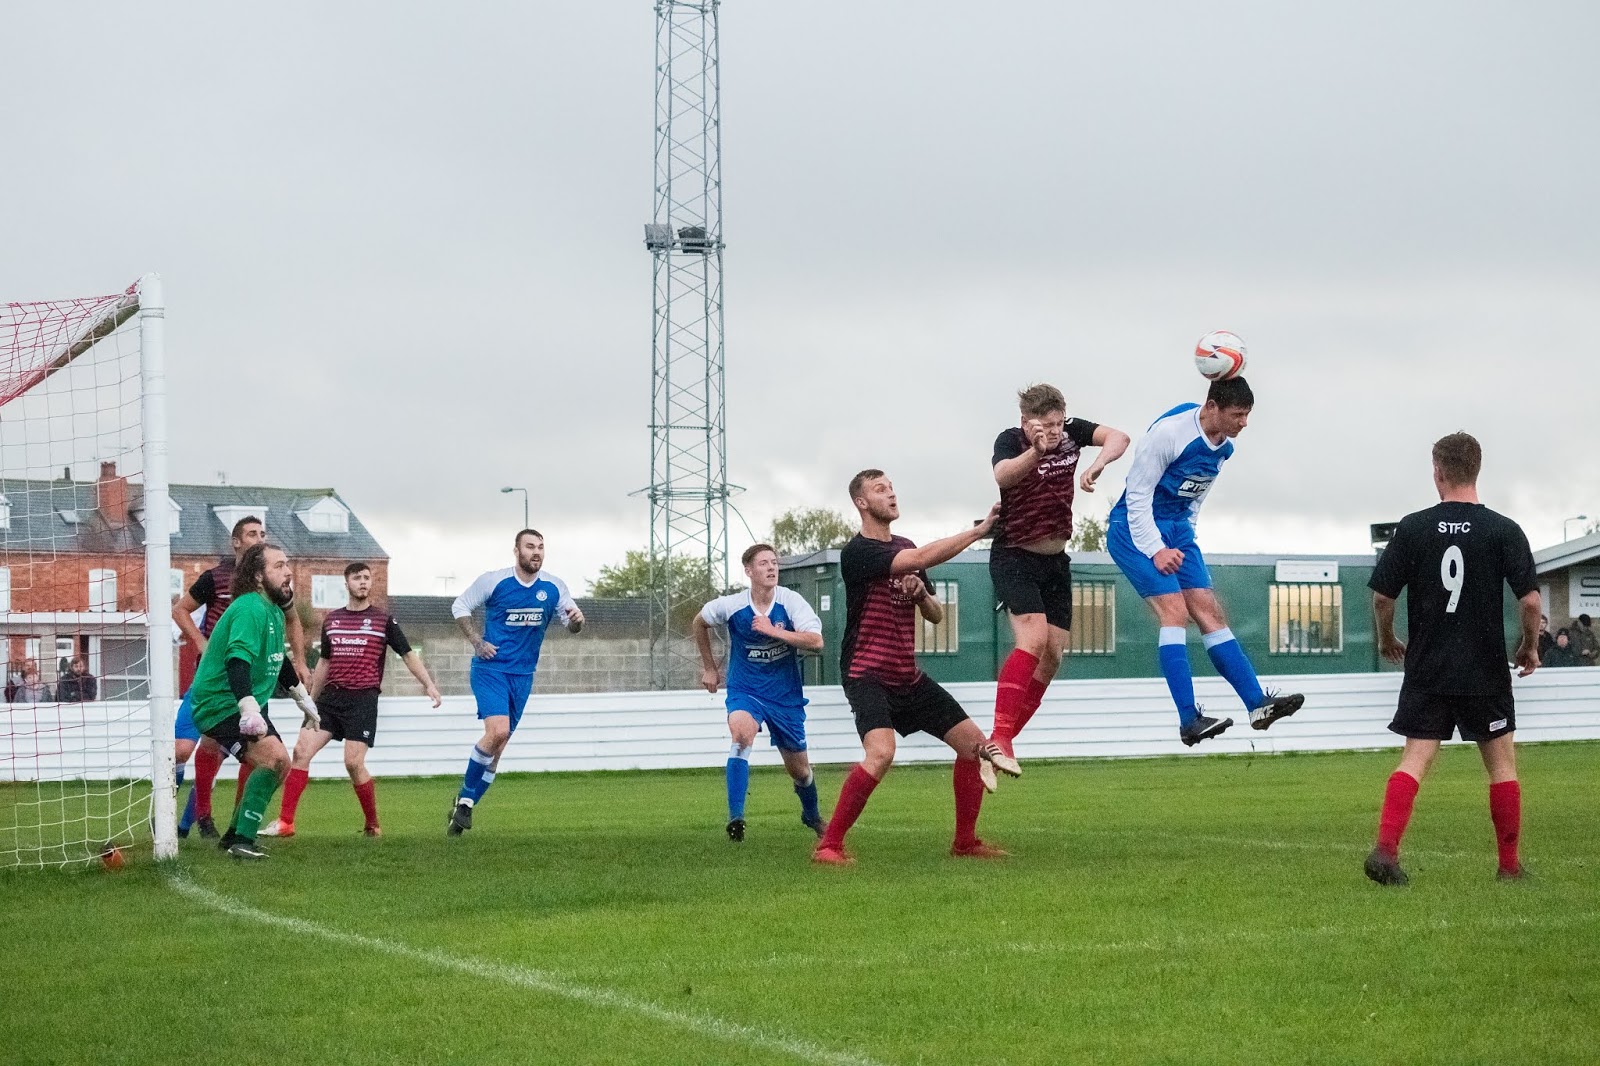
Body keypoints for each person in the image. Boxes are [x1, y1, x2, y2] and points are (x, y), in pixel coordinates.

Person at [812, 470, 1016, 866]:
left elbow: (935, 615)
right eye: (880, 489)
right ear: (861, 503)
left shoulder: (904, 546)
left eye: (891, 487)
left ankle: (965, 843)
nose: (891, 494)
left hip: (907, 675)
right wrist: (979, 532)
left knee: (974, 748)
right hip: (867, 673)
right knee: (881, 754)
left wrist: (922, 594)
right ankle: (828, 846)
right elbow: (920, 558)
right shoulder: (858, 552)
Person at [1363, 432, 1540, 886]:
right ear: (1476, 469)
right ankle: (1509, 866)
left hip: (1428, 666)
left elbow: (1383, 596)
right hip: (1484, 668)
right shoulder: (1503, 529)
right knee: (1502, 767)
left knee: (1413, 760)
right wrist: (1529, 646)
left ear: (1438, 471)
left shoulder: (1413, 527)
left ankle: (1386, 850)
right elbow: (1531, 602)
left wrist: (1387, 639)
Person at [1106, 376, 1303, 745]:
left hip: (1177, 529)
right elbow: (1137, 496)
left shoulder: (1224, 448)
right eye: (1238, 414)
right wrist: (1156, 549)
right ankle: (1188, 720)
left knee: (1210, 612)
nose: (1244, 422)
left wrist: (1186, 533)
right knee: (1174, 612)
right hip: (1133, 529)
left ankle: (1257, 705)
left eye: (1247, 415)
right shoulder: (1169, 434)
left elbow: (1196, 496)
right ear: (1212, 407)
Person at [987, 383, 1129, 775]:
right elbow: (1003, 476)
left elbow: (1119, 437)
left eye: (1057, 424)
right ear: (1025, 421)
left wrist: (1098, 464)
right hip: (1014, 555)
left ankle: (1000, 743)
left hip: (1055, 562)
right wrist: (1036, 451)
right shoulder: (1011, 440)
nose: (1052, 432)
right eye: (1043, 425)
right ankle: (1000, 738)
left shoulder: (1071, 432)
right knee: (1033, 639)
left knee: (1052, 657)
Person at [260, 562, 442, 839]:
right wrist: (310, 702)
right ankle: (286, 823)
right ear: (346, 584)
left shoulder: (383, 621)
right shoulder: (332, 620)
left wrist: (428, 684)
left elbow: (407, 654)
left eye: (367, 578)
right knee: (301, 752)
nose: (363, 582)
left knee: (353, 763)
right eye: (357, 578)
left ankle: (372, 824)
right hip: (330, 699)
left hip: (362, 700)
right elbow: (324, 663)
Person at [170, 516, 312, 839]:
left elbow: (289, 626)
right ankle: (195, 819)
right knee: (189, 749)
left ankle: (235, 829)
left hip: (252, 683)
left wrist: (300, 673)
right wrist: (201, 643)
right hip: (219, 685)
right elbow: (180, 610)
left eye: (263, 533)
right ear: (236, 542)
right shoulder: (221, 582)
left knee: (267, 759)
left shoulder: (274, 597)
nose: (259, 538)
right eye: (251, 533)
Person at [447, 529, 584, 835]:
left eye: (541, 547)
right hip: (491, 670)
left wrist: (577, 622)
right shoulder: (494, 581)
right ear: (516, 551)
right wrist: (477, 641)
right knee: (498, 731)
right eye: (530, 546)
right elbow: (460, 606)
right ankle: (465, 802)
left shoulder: (554, 586)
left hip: (523, 676)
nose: (536, 552)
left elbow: (572, 624)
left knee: (498, 748)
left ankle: (462, 808)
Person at [693, 543, 827, 842]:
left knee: (800, 771)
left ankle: (812, 815)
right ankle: (736, 818)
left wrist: (774, 630)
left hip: (784, 696)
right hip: (746, 689)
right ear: (749, 571)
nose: (771, 568)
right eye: (764, 563)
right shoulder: (732, 605)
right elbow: (699, 622)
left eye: (774, 562)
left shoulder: (791, 601)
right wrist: (710, 668)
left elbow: (816, 642)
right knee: (741, 736)